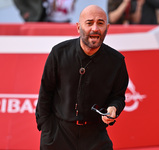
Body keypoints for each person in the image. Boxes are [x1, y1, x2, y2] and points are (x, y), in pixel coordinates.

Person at [35, 5, 129, 150]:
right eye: (89, 23)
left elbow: (118, 96)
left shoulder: (116, 61)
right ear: (78, 27)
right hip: (58, 134)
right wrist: (46, 130)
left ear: (107, 28)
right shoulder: (58, 53)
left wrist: (113, 108)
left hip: (95, 136)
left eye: (100, 23)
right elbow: (46, 92)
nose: (95, 28)